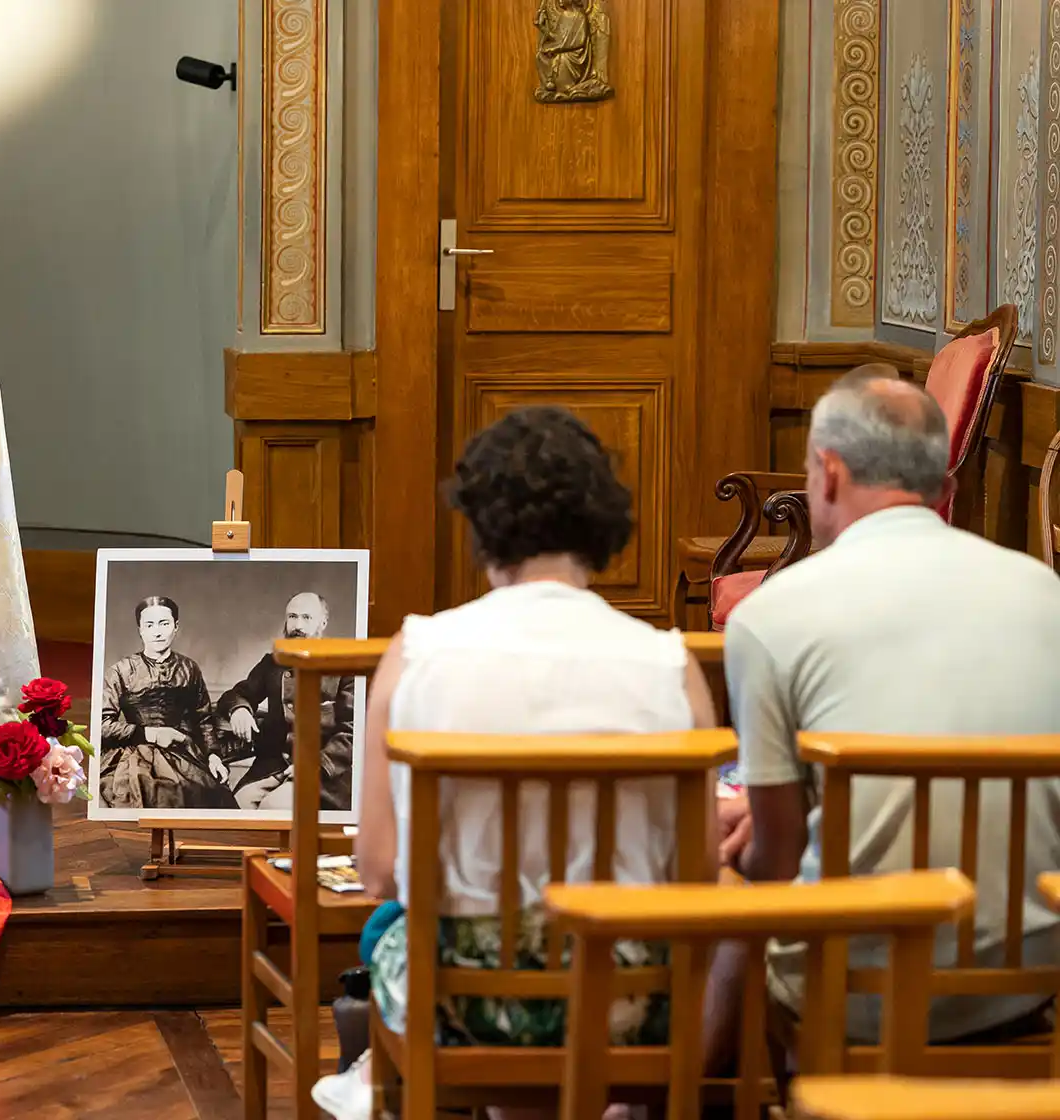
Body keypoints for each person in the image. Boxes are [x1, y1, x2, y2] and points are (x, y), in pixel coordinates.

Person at [313, 408, 718, 1120]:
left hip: (464, 1001)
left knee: (388, 929)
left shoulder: (418, 654)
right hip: (627, 1002)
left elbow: (376, 868)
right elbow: (701, 876)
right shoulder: (669, 664)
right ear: (601, 520)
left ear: (481, 521)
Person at [708, 368, 1060, 1071]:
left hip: (851, 992)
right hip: (1026, 980)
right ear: (948, 496)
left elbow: (775, 866)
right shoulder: (1045, 593)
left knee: (719, 896)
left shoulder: (773, 616)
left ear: (828, 475)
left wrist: (760, 834)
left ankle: (662, 1097)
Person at [216, 591, 357, 812]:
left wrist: (316, 765)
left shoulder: (345, 667)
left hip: (325, 771)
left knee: (273, 807)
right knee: (236, 806)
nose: (297, 625)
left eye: (306, 618)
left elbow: (354, 730)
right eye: (292, 617)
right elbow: (236, 694)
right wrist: (240, 709)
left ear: (323, 623)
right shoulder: (273, 662)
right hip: (275, 765)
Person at [98, 595, 236, 809]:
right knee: (143, 790)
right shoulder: (121, 670)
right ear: (140, 630)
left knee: (205, 791)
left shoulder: (189, 669)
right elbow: (102, 726)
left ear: (176, 626)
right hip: (132, 755)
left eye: (164, 623)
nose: (157, 631)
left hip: (181, 751)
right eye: (149, 625)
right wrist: (151, 734)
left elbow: (204, 719)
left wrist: (214, 756)